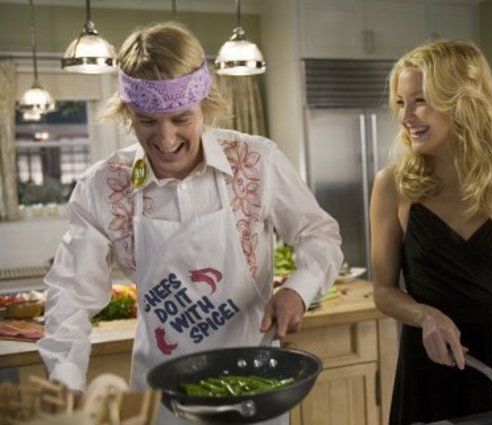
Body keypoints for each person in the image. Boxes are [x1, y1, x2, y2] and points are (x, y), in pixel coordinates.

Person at [37, 22, 343, 424]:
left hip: (254, 394)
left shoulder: (255, 161)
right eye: (148, 121)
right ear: (128, 114)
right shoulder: (104, 185)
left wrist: (298, 291)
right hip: (161, 401)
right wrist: (67, 380)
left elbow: (319, 235)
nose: (166, 140)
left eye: (181, 118)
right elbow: (70, 293)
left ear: (205, 105)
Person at [369, 39, 492, 424]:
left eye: (420, 101)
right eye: (400, 102)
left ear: (463, 100)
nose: (406, 116)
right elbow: (383, 290)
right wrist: (424, 315)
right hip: (428, 367)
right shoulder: (392, 185)